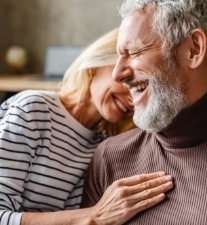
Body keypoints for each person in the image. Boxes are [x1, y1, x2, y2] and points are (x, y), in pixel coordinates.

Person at [82, 0, 207, 224]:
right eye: (119, 56)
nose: (117, 73)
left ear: (194, 49)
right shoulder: (109, 157)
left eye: (134, 52)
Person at [0, 28, 174, 225]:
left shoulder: (104, 142)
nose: (133, 99)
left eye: (141, 89)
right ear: (96, 65)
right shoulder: (33, 110)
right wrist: (94, 216)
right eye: (128, 82)